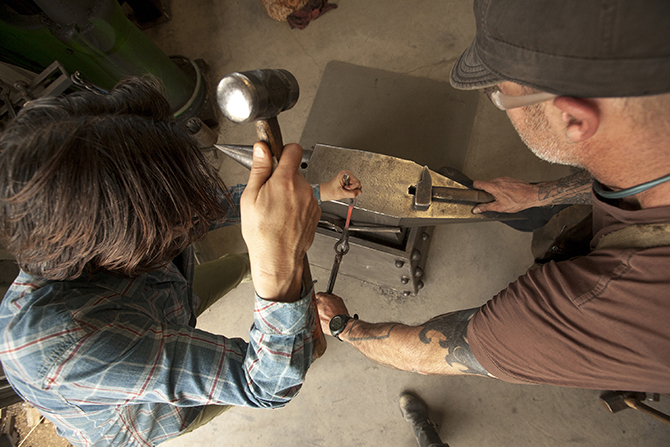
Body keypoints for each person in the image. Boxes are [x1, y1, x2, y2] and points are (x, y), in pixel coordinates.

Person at [316, 0, 670, 393]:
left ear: (574, 118)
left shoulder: (587, 307)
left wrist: (342, 326)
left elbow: (428, 353)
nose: (499, 104)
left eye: (500, 94)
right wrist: (539, 195)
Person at [0, 77, 361, 446]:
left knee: (244, 265)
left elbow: (197, 207)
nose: (187, 216)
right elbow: (264, 386)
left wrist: (317, 193)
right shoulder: (68, 346)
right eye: (170, 211)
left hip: (167, 300)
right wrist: (279, 269)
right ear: (123, 230)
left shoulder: (94, 224)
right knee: (277, 362)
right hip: (145, 415)